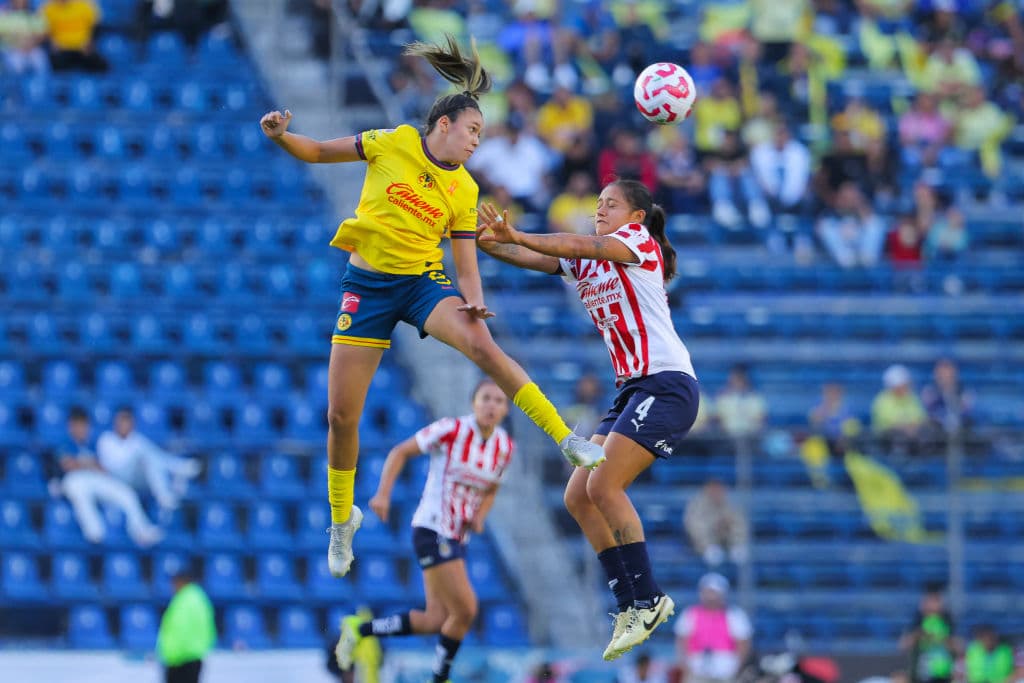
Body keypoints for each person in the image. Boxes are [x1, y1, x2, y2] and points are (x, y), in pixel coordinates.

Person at [258, 34, 604, 579]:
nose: (476, 142)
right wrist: (282, 137)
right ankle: (340, 521)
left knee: (483, 348)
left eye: (481, 135)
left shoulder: (464, 189)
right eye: (472, 130)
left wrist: (476, 300)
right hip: (368, 287)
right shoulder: (393, 140)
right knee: (341, 415)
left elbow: (465, 257)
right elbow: (321, 151)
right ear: (443, 125)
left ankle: (566, 438)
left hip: (422, 283)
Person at [476, 178, 700, 660]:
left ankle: (650, 598)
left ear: (635, 217)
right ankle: (628, 604)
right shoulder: (591, 259)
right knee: (578, 495)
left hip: (666, 384)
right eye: (597, 204)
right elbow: (537, 259)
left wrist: (518, 234)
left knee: (603, 488)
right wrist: (490, 243)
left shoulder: (635, 242)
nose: (599, 210)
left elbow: (578, 243)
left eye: (610, 204)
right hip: (634, 388)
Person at [334, 379, 513, 683]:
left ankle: (359, 630)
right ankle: (439, 677)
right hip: (432, 527)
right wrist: (382, 494)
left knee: (436, 620)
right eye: (485, 398)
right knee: (467, 609)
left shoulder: (504, 446)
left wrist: (480, 516)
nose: (491, 405)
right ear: (473, 403)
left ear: (506, 409)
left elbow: (492, 487)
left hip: (457, 536)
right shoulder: (451, 429)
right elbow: (401, 451)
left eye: (498, 400)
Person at [54, 407, 164, 547]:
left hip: (94, 478)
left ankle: (141, 530)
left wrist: (85, 463)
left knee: (126, 493)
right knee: (78, 491)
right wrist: (88, 464)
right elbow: (68, 466)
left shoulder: (93, 443)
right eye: (78, 425)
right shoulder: (64, 443)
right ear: (71, 426)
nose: (82, 429)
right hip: (72, 480)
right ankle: (94, 533)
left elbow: (103, 468)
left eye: (84, 425)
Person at [96, 406, 201, 516]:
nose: (124, 425)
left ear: (132, 423)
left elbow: (155, 454)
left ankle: (167, 491)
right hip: (113, 478)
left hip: (135, 479)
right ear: (116, 423)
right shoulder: (106, 439)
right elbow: (109, 465)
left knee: (151, 459)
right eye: (122, 421)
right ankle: (179, 468)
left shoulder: (136, 439)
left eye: (127, 421)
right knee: (148, 457)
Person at [673, 573, 752, 683]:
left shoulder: (735, 615)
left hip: (726, 670)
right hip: (696, 670)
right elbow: (681, 641)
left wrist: (736, 667)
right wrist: (686, 666)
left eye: (714, 592)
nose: (711, 597)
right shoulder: (690, 614)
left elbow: (743, 644)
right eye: (708, 592)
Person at [157, 569, 216, 683]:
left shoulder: (185, 600)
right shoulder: (199, 598)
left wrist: (171, 655)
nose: (172, 586)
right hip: (193, 656)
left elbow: (179, 630)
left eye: (174, 582)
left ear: (181, 582)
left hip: (181, 660)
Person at [683, 480, 749, 567]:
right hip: (705, 546)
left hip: (728, 542)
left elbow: (740, 524)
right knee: (713, 556)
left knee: (740, 554)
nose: (717, 493)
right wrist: (714, 528)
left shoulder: (730, 504)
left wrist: (735, 539)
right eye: (714, 490)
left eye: (719, 490)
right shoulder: (697, 505)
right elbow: (694, 528)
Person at [899, 586, 956, 683]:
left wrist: (941, 639)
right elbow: (903, 645)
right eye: (930, 602)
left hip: (942, 673)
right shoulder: (918, 620)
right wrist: (920, 634)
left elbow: (957, 646)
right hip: (921, 672)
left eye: (936, 601)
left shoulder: (947, 621)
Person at [39, 0, 108, 72]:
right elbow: (43, 30)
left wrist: (91, 42)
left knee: (101, 66)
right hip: (62, 49)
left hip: (83, 47)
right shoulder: (48, 8)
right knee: (55, 66)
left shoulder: (84, 5)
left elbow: (96, 26)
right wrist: (51, 42)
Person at [0, 0, 50, 75]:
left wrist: (30, 44)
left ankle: (39, 86)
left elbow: (42, 34)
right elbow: (2, 35)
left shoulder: (34, 15)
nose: (20, 2)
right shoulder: (4, 15)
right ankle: (15, 85)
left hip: (33, 49)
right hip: (11, 50)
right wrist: (18, 44)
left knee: (40, 59)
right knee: (16, 64)